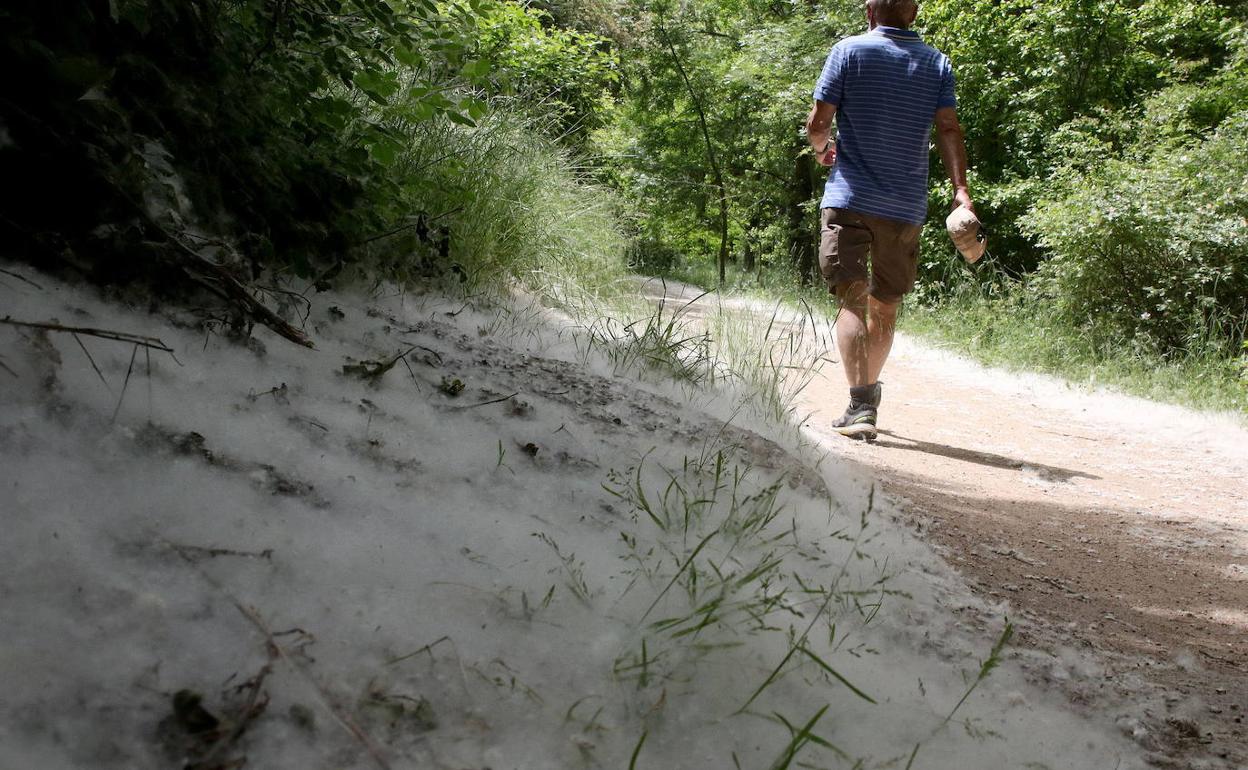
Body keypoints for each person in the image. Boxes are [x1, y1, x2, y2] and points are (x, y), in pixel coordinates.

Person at [805, 0, 973, 440]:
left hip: (849, 198)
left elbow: (819, 122)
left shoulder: (848, 52)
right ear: (913, 14)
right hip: (904, 206)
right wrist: (961, 192)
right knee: (885, 303)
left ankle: (861, 404)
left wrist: (823, 151)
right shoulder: (936, 63)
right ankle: (866, 398)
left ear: (869, 12)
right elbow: (949, 129)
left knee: (851, 299)